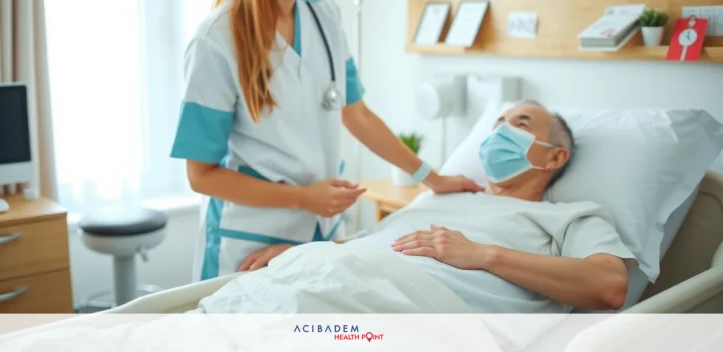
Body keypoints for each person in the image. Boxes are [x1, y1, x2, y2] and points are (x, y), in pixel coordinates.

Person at [170, 0, 480, 281]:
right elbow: (201, 175)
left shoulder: (325, 17)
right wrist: (302, 198)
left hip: (318, 231)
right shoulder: (218, 40)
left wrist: (432, 178)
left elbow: (358, 115)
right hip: (249, 240)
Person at [202, 101, 634, 313]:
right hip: (333, 277)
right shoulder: (443, 198)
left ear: (554, 157)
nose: (501, 131)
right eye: (497, 124)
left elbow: (608, 286)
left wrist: (483, 255)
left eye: (520, 124)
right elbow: (369, 246)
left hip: (401, 310)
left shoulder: (568, 216)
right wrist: (301, 253)